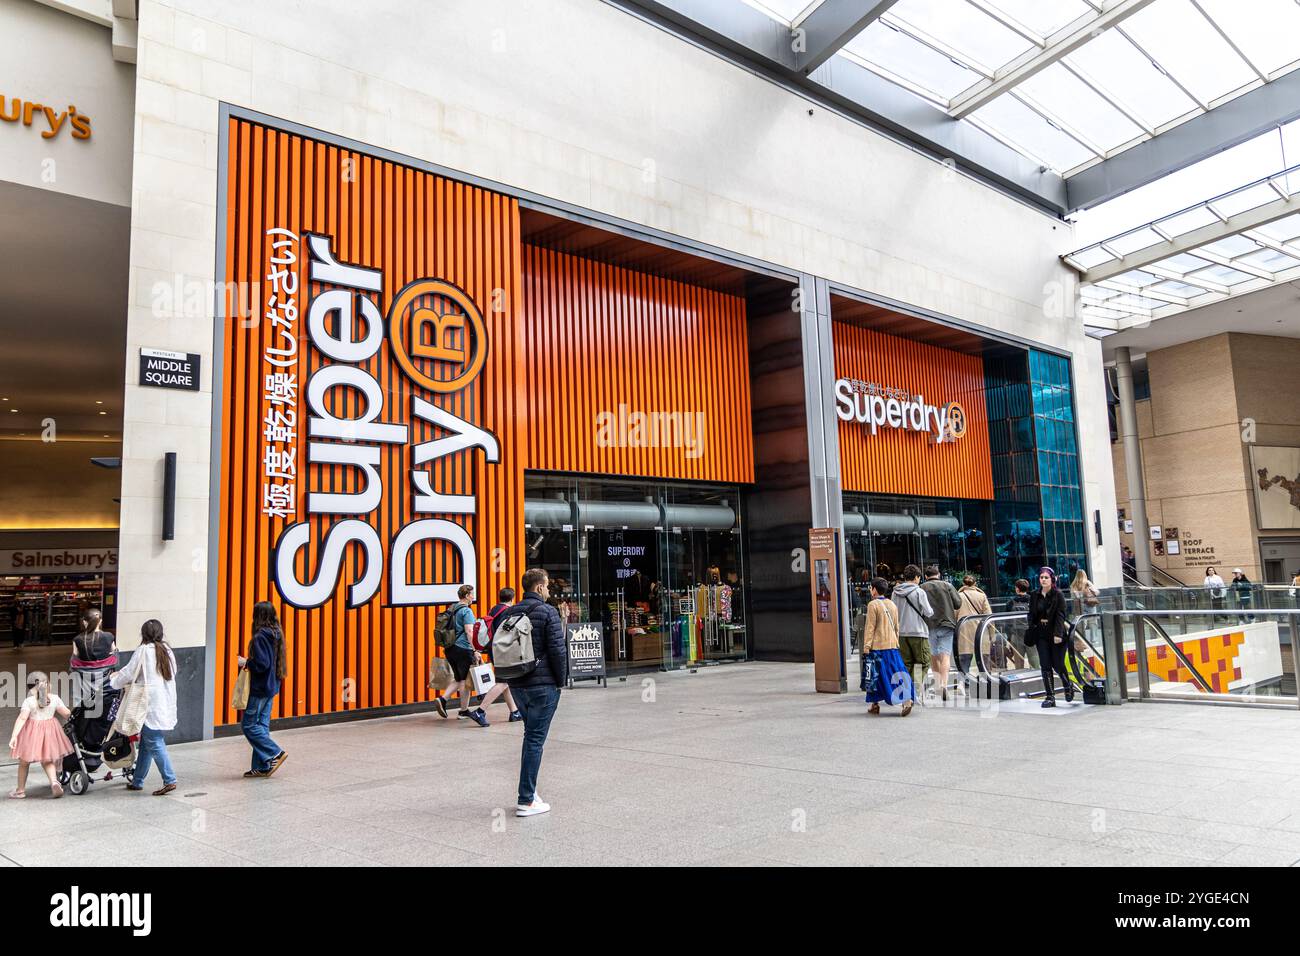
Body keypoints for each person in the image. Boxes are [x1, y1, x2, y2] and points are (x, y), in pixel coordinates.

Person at [490, 568, 567, 817]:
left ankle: (530, 793)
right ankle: (526, 799)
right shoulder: (547, 612)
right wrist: (560, 681)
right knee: (535, 740)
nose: (549, 590)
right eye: (547, 586)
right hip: (542, 686)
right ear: (540, 587)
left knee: (530, 736)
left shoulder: (510, 611)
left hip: (518, 684)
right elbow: (557, 650)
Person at [109, 619, 178, 795]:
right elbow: (173, 672)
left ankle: (169, 779)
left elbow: (129, 672)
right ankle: (138, 780)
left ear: (144, 634)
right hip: (163, 701)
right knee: (147, 742)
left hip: (146, 703)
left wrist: (113, 680)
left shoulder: (143, 651)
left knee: (153, 740)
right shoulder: (167, 650)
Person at [238, 601, 288, 778]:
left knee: (249, 725)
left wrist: (246, 662)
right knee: (261, 726)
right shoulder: (277, 633)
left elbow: (262, 664)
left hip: (260, 688)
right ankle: (262, 766)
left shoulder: (259, 637)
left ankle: (275, 753)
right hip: (272, 686)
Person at [8, 671, 73, 798]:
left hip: (32, 735)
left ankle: (20, 790)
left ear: (31, 689)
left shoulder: (29, 701)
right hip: (50, 732)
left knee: (24, 762)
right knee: (48, 760)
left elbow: (22, 718)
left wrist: (14, 736)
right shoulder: (54, 698)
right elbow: (66, 714)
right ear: (49, 685)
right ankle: (54, 782)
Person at [433, 584, 490, 726]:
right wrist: (475, 650)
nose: (473, 597)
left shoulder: (452, 608)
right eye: (472, 594)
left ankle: (443, 699)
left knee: (459, 678)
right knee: (465, 680)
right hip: (463, 648)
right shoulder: (466, 611)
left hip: (450, 648)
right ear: (466, 596)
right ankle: (463, 710)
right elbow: (470, 632)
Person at [862, 577, 913, 717]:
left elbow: (870, 628)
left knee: (874, 676)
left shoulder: (873, 605)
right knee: (895, 672)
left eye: (871, 588)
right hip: (892, 645)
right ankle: (878, 704)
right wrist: (896, 642)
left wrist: (866, 646)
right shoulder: (892, 604)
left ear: (874, 590)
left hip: (877, 646)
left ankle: (881, 703)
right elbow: (897, 627)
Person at [472, 587, 523, 724]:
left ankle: (514, 712)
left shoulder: (494, 609)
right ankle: (479, 711)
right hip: (503, 650)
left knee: (506, 681)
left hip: (493, 649)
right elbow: (507, 633)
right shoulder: (507, 612)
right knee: (503, 682)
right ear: (512, 598)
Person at [1026, 567, 1071, 708]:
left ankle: (1067, 685)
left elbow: (1060, 615)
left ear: (1052, 579)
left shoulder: (1058, 594)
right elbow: (1031, 613)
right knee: (1045, 665)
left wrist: (1058, 634)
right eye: (1041, 577)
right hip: (1041, 633)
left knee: (1058, 664)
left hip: (1056, 633)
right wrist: (1032, 626)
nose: (1043, 580)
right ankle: (1050, 696)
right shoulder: (1034, 594)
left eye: (1046, 577)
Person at [891, 565, 933, 703]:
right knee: (923, 662)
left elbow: (893, 611)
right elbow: (928, 612)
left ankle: (906, 693)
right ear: (916, 577)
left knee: (906, 664)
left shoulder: (895, 592)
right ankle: (914, 690)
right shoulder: (919, 592)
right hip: (918, 632)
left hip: (901, 633)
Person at [920, 564, 962, 700]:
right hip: (947, 624)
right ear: (938, 575)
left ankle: (938, 685)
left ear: (925, 576)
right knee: (945, 656)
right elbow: (958, 603)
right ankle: (944, 684)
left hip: (929, 625)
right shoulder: (947, 585)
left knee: (933, 655)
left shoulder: (922, 588)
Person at [70, 607, 118, 708]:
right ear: (100, 621)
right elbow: (115, 654)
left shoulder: (78, 639)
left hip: (84, 682)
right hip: (105, 682)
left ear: (84, 622)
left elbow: (74, 660)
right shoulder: (109, 636)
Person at [956, 575, 992, 676]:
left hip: (963, 631)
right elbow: (989, 616)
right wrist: (992, 635)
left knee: (965, 659)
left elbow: (955, 614)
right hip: (980, 631)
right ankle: (985, 680)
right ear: (975, 584)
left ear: (963, 584)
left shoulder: (959, 596)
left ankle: (964, 680)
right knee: (983, 658)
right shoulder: (982, 596)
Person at [1009, 578, 1037, 668]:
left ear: (1017, 589)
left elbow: (1007, 622)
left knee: (1018, 665)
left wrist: (1009, 637)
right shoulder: (1033, 600)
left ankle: (1021, 680)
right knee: (1035, 663)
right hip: (1031, 635)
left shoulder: (1010, 602)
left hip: (1016, 635)